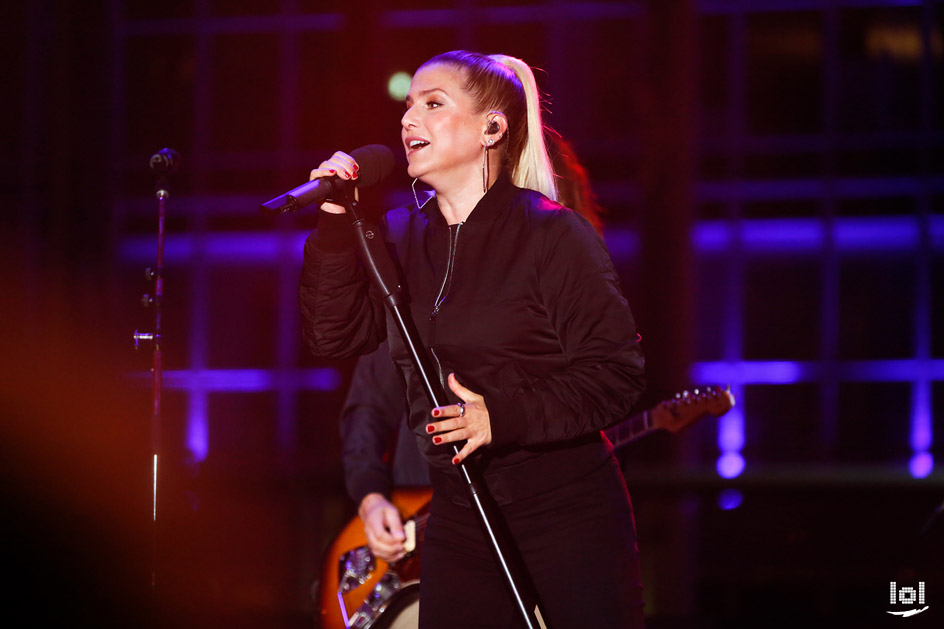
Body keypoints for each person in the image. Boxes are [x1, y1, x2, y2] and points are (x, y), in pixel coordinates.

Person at [300, 50, 645, 628]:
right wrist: (336, 222)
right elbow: (334, 335)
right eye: (408, 106)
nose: (409, 120)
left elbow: (616, 374)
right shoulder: (404, 238)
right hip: (458, 510)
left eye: (433, 105)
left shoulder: (552, 234)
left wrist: (499, 418)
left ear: (493, 127)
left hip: (565, 509)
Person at [340, 132, 608, 565]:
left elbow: (604, 382)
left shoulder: (565, 266)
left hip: (548, 520)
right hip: (431, 512)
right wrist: (371, 496)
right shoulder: (418, 271)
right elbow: (368, 404)